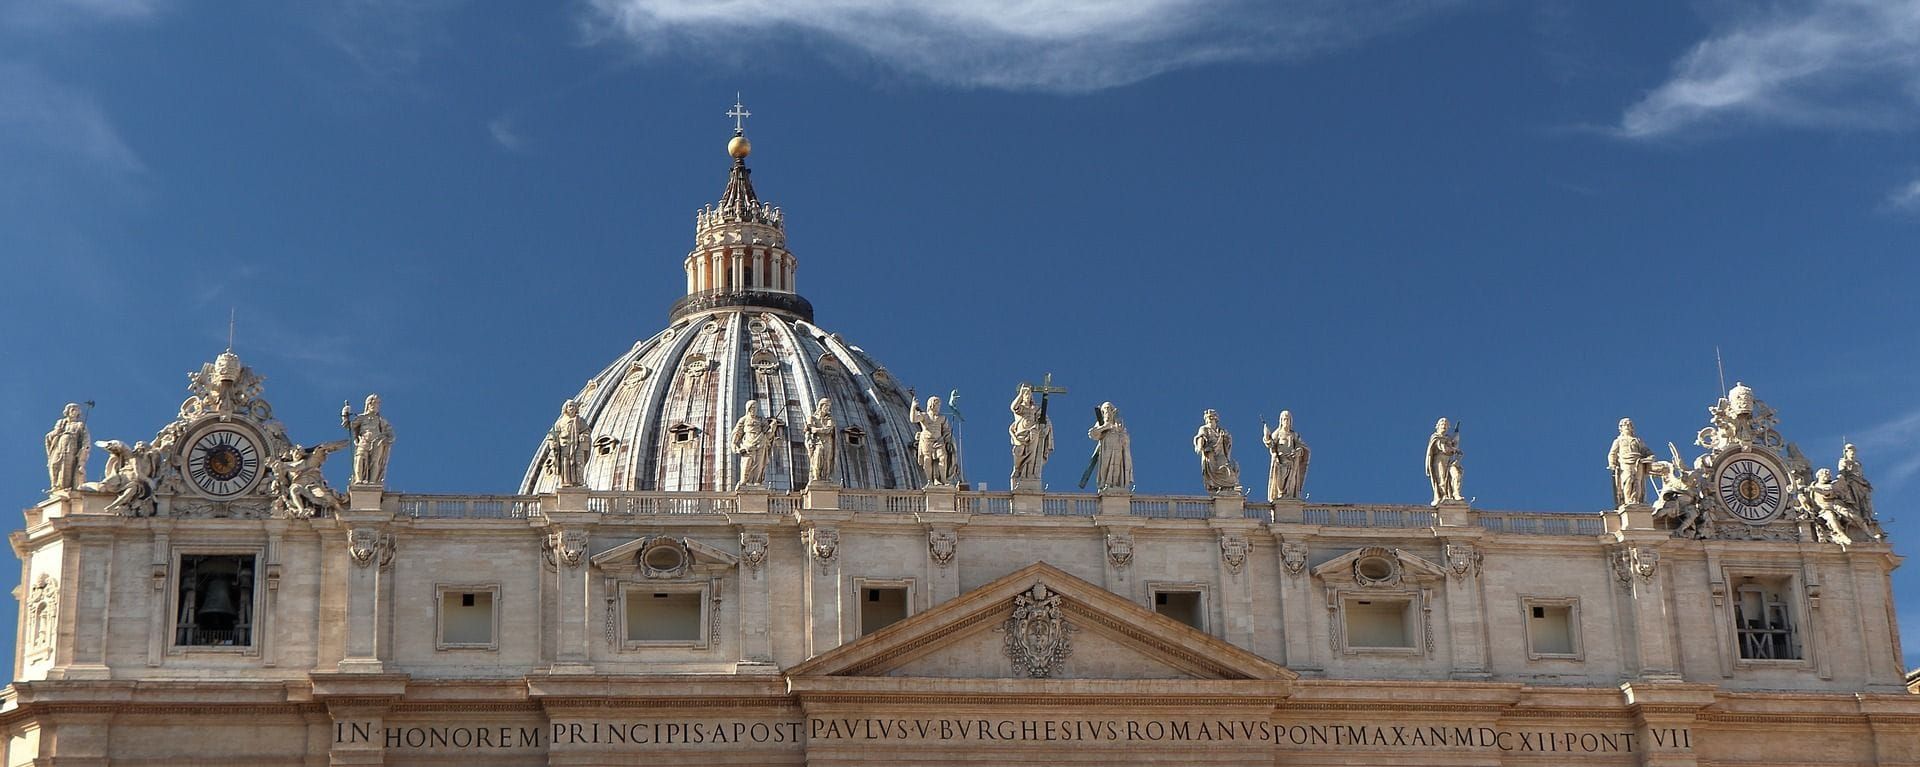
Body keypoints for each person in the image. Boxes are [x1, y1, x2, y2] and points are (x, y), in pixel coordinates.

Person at [342, 394, 395, 485]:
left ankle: (372, 482)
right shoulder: (361, 418)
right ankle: (359, 480)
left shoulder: (381, 420)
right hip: (364, 441)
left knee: (375, 462)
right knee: (359, 458)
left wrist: (385, 438)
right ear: (368, 404)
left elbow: (391, 435)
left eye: (377, 404)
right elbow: (349, 426)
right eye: (373, 403)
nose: (375, 406)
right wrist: (345, 414)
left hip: (377, 442)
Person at [730, 401, 783, 488]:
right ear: (748, 409)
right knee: (747, 464)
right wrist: (734, 444)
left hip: (761, 443)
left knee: (759, 465)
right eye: (752, 408)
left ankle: (757, 482)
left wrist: (773, 427)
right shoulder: (743, 420)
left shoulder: (761, 420)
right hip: (748, 444)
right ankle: (745, 481)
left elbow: (768, 435)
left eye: (755, 408)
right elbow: (737, 433)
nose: (754, 410)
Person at [1009, 384, 1053, 483]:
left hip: (1033, 433)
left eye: (1029, 394)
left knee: (1032, 454)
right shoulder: (1019, 408)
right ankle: (1017, 470)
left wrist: (1045, 427)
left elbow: (1045, 419)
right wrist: (1020, 393)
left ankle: (1029, 475)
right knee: (1018, 451)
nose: (1028, 396)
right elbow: (1013, 407)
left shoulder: (1035, 408)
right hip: (1020, 434)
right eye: (1025, 394)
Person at [1607, 418, 1655, 507]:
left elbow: (1647, 451)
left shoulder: (1637, 440)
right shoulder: (1618, 441)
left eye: (1629, 425)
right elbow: (1612, 453)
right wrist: (1612, 464)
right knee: (1628, 480)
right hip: (1625, 462)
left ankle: (1636, 500)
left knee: (1638, 482)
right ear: (1621, 428)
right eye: (1625, 425)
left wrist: (1650, 457)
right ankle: (1628, 500)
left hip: (1638, 462)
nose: (1628, 426)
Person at [1262, 410, 1309, 501]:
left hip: (1292, 461)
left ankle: (1289, 496)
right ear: (1281, 421)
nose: (1286, 421)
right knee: (1280, 481)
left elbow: (1301, 446)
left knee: (1291, 482)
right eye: (1284, 419)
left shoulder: (1294, 435)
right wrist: (1266, 436)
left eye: (1288, 419)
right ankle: (1281, 496)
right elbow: (1271, 444)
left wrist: (1298, 451)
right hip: (1281, 461)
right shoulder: (1278, 433)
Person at [910, 396, 956, 486]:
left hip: (939, 441)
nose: (938, 407)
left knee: (943, 457)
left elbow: (946, 431)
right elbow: (913, 419)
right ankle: (930, 480)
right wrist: (913, 407)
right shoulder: (924, 416)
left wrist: (949, 441)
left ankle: (943, 480)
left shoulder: (942, 418)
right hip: (926, 440)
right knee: (927, 459)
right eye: (936, 405)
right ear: (931, 405)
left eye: (939, 405)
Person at [545, 399, 592, 487]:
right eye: (570, 406)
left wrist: (584, 436)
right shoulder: (559, 423)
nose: (572, 408)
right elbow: (553, 435)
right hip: (564, 445)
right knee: (565, 464)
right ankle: (566, 482)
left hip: (577, 445)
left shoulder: (580, 421)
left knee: (579, 463)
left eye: (574, 406)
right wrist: (554, 443)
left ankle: (579, 481)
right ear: (565, 409)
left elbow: (586, 431)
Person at [1088, 402, 1132, 492]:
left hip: (1118, 447)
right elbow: (1092, 434)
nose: (1107, 411)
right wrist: (1104, 427)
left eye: (1109, 408)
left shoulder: (1118, 424)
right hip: (1106, 447)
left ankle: (1117, 486)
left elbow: (1125, 437)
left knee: (1117, 466)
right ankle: (1105, 484)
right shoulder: (1100, 423)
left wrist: (1123, 436)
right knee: (1106, 465)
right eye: (1105, 409)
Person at [44, 403, 89, 491]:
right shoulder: (61, 423)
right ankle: (55, 485)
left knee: (67, 465)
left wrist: (84, 449)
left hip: (71, 445)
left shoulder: (80, 425)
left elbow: (86, 438)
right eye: (72, 410)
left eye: (76, 410)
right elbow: (50, 435)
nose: (74, 412)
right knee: (54, 464)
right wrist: (56, 432)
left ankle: (64, 487)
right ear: (67, 411)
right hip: (59, 444)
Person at [1193, 409, 1239, 493]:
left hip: (1221, 453)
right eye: (1208, 417)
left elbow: (1228, 442)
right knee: (1213, 472)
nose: (1209, 419)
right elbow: (1200, 438)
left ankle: (1229, 488)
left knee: (1227, 470)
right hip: (1210, 454)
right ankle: (1217, 489)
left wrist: (1226, 438)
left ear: (1215, 418)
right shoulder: (1204, 429)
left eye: (1211, 417)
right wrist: (1200, 445)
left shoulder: (1221, 430)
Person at [1425, 418, 1464, 505]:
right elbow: (1442, 447)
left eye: (1446, 425)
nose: (1444, 426)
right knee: (1442, 480)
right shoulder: (1435, 437)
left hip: (1450, 460)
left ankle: (1455, 494)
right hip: (1440, 460)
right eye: (1443, 424)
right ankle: (1444, 497)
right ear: (1438, 426)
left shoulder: (1449, 438)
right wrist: (1453, 450)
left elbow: (1454, 445)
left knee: (1456, 474)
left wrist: (1455, 446)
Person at [804, 398, 836, 484]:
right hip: (817, 443)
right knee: (817, 459)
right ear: (821, 406)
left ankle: (825, 478)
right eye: (826, 406)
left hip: (828, 443)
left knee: (827, 462)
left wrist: (817, 430)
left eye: (829, 406)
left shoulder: (830, 419)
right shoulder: (812, 418)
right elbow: (809, 429)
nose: (827, 408)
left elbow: (828, 430)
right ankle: (816, 478)